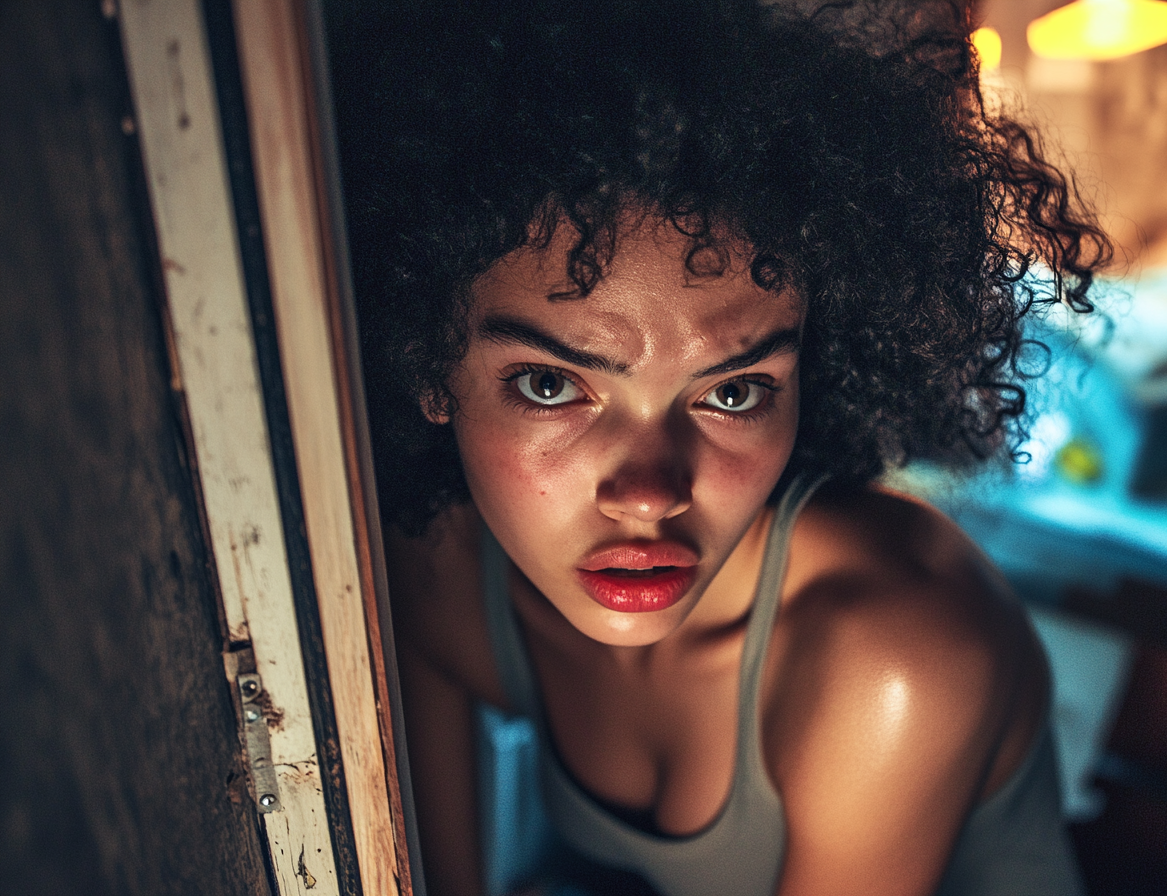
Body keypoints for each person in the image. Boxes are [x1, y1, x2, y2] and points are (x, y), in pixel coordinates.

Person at [331, 0, 1110, 893]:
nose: (650, 493)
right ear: (427, 363)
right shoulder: (435, 571)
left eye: (732, 393)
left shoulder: (895, 658)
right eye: (553, 384)